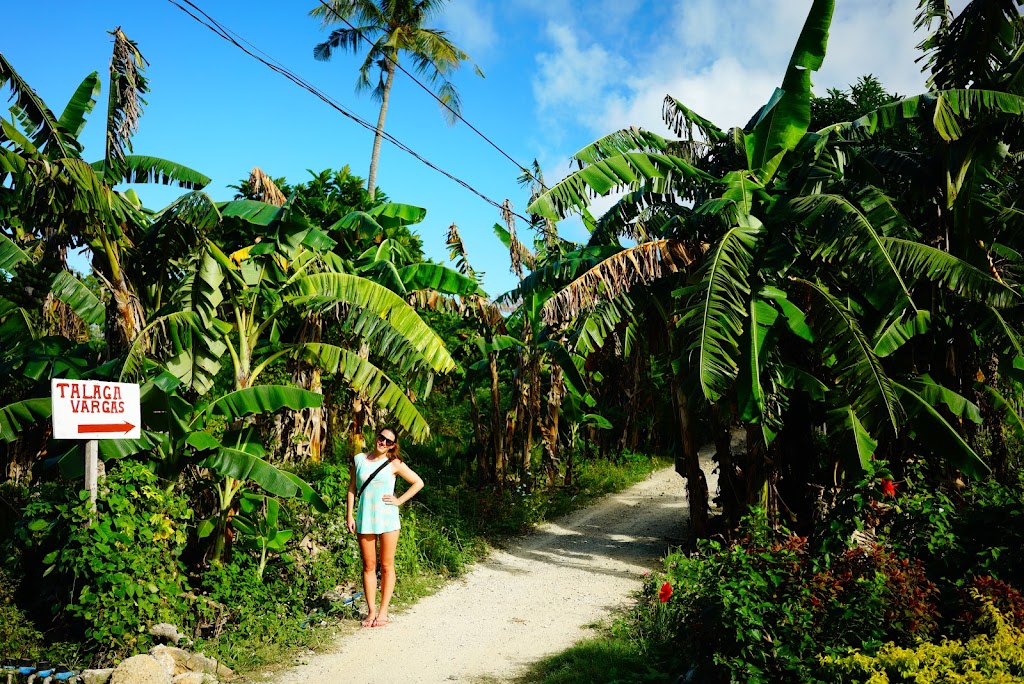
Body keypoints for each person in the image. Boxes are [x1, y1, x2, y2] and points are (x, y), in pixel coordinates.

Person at [346, 427, 423, 627]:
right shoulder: (359, 459)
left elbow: (418, 482)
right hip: (365, 518)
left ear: (393, 446)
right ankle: (371, 611)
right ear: (376, 437)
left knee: (387, 565)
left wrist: (399, 500)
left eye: (389, 442)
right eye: (382, 438)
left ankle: (383, 612)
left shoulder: (394, 463)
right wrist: (349, 515)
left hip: (388, 519)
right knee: (369, 565)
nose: (384, 443)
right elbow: (352, 488)